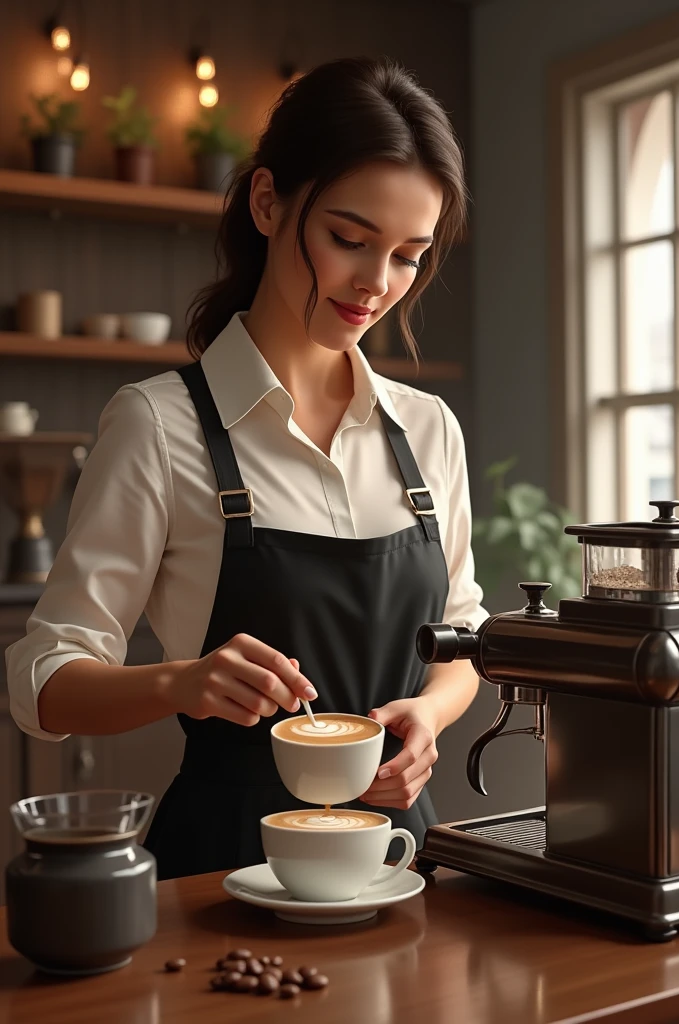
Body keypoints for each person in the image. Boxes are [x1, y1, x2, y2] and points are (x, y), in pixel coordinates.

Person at [5, 56, 488, 879]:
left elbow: (463, 635)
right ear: (268, 202)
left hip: (400, 855)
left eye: (409, 254)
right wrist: (178, 684)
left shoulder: (427, 429)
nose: (377, 284)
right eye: (349, 239)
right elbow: (43, 680)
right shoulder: (158, 425)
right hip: (225, 868)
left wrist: (430, 714)